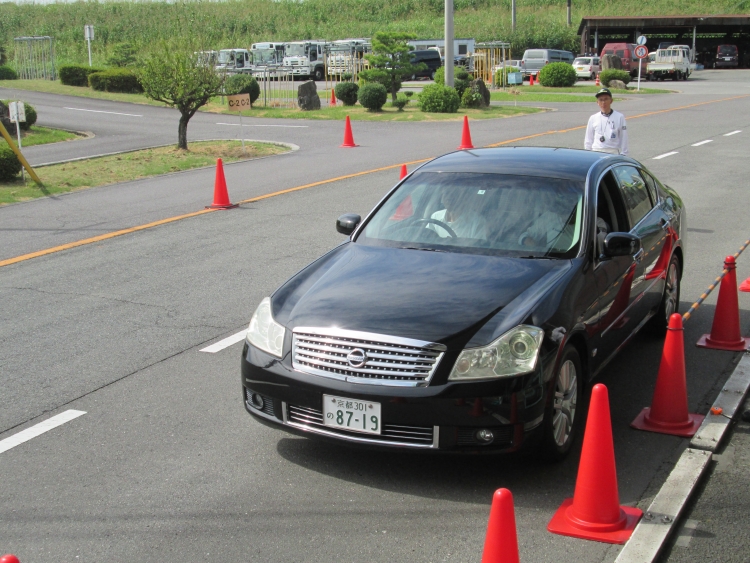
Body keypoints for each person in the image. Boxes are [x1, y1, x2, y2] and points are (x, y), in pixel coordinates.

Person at [584, 88, 629, 156]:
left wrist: (624, 153)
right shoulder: (593, 118)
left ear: (611, 101)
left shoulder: (619, 117)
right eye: (601, 100)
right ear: (597, 102)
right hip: (596, 151)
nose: (603, 102)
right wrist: (588, 154)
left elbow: (624, 137)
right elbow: (588, 139)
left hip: (612, 152)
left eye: (606, 99)